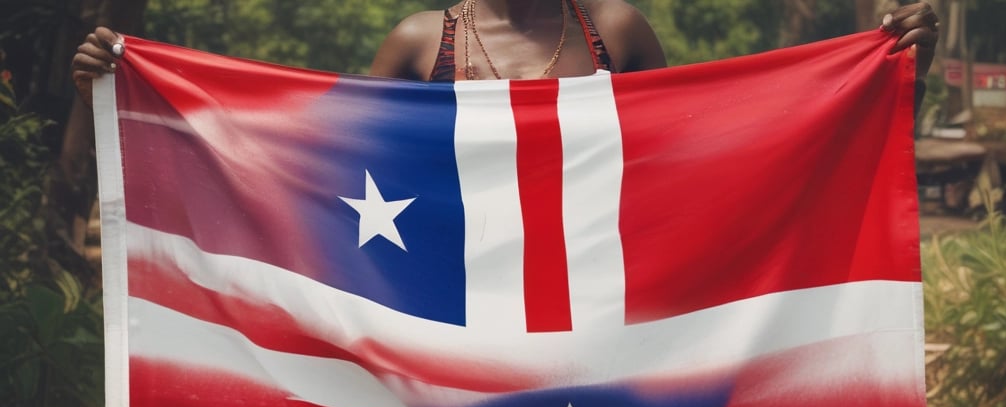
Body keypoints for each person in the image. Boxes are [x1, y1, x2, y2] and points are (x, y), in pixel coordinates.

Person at [73, 2, 938, 103]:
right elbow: (326, 162)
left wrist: (894, 64)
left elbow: (704, 148)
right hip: (448, 319)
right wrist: (136, 94)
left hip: (599, 315)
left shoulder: (618, 30)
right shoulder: (420, 41)